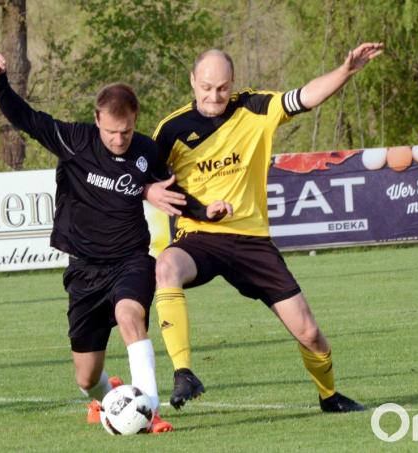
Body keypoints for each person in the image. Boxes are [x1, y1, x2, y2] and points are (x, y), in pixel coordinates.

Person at [0, 53, 231, 433]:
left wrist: (204, 210)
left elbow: (173, 193)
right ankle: (109, 394)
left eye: (126, 131)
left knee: (129, 316)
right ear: (98, 119)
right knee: (86, 379)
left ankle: (149, 409)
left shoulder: (147, 152)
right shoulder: (74, 140)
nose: (118, 139)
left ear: (135, 122)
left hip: (130, 260)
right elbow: (25, 118)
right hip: (83, 269)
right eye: (111, 131)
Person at [149, 43, 384, 412]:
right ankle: (184, 372)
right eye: (206, 87)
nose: (214, 96)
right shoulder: (171, 130)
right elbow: (150, 179)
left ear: (233, 83)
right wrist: (172, 200)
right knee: (166, 267)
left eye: (223, 88)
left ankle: (329, 396)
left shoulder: (256, 107)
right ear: (192, 81)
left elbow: (304, 97)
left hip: (252, 242)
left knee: (310, 334)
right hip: (200, 237)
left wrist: (345, 71)